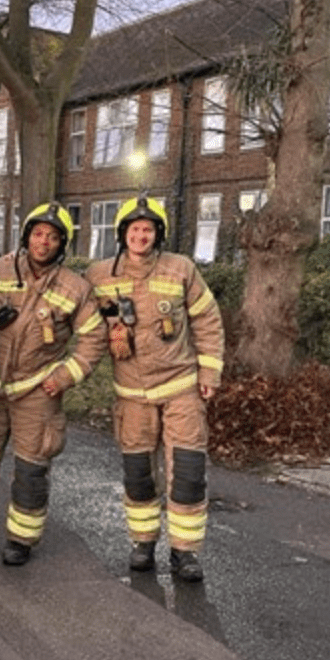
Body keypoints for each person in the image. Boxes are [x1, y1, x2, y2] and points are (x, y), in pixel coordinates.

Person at [0, 202, 105, 565]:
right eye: (38, 233)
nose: (44, 241)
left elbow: (94, 339)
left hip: (37, 390)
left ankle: (21, 540)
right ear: (27, 235)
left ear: (63, 244)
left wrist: (63, 377)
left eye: (53, 237)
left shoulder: (76, 288)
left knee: (32, 468)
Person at [84, 196, 224, 582]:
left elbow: (208, 321)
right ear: (123, 233)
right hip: (131, 395)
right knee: (138, 474)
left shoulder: (181, 269)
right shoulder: (99, 276)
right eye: (134, 229)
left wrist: (209, 373)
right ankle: (142, 543)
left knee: (188, 473)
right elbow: (81, 326)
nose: (141, 235)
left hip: (181, 388)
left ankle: (185, 553)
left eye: (148, 229)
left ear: (158, 234)